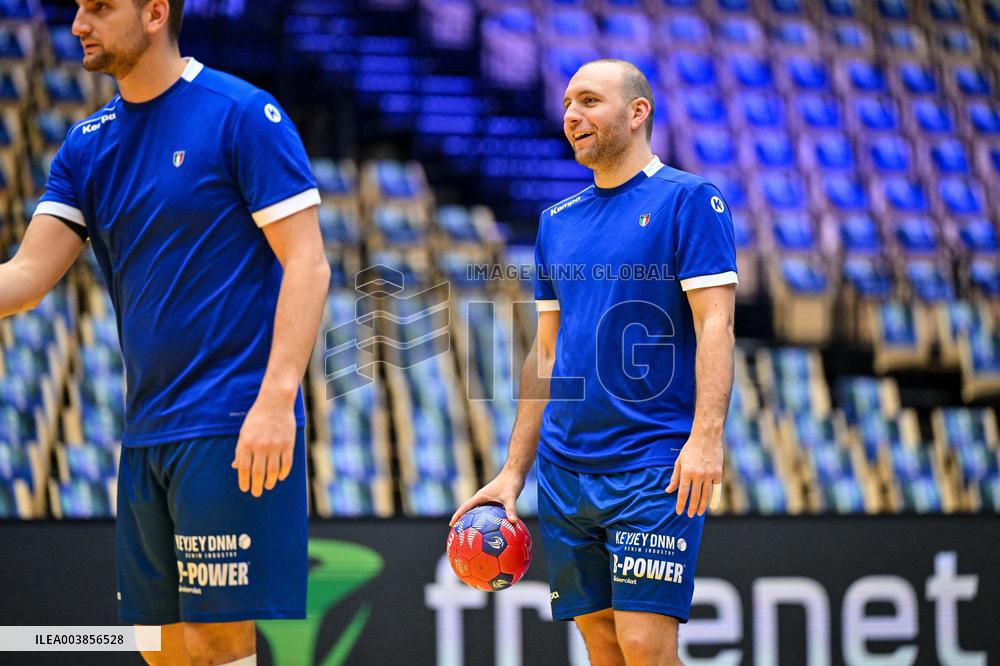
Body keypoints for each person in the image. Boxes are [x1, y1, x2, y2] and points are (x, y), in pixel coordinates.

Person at [0, 1, 330, 663]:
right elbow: (27, 278)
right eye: (77, 8)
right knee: (161, 646)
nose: (77, 24)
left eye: (99, 7)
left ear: (155, 13)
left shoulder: (241, 114)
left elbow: (309, 263)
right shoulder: (87, 146)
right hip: (146, 428)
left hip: (230, 422)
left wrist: (275, 400)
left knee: (219, 638)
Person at [451, 59, 737, 665]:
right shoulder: (557, 222)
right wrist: (513, 471)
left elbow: (717, 323)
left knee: (644, 644)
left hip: (652, 464)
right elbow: (546, 352)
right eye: (566, 107)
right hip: (563, 471)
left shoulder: (690, 201)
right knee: (602, 644)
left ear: (638, 113)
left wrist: (706, 437)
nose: (572, 117)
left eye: (588, 102)